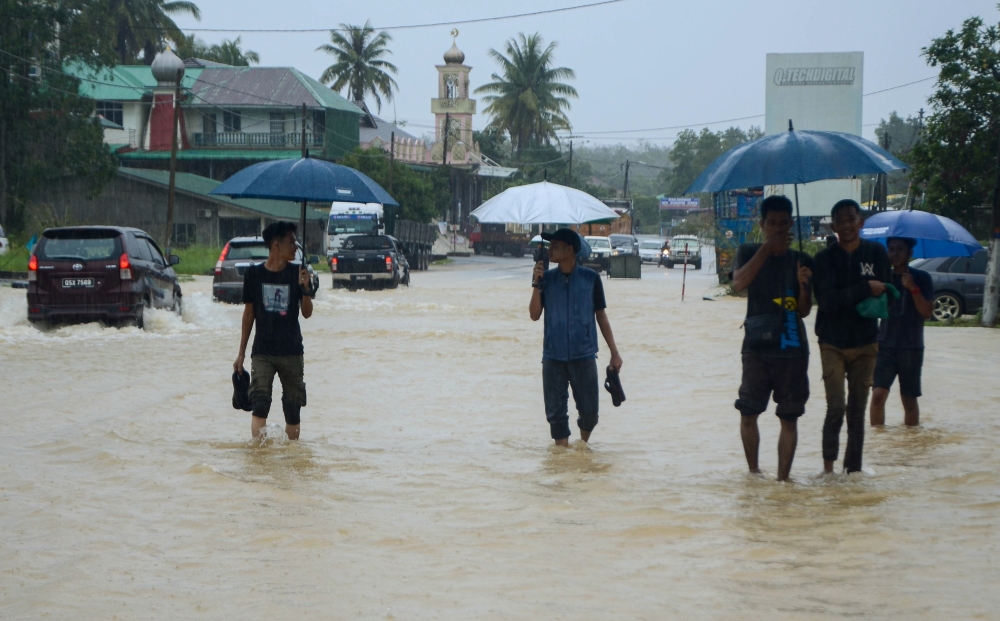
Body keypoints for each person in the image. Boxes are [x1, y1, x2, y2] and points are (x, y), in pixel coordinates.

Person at [731, 195, 814, 481]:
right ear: (762, 225)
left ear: (792, 224)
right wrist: (766, 250)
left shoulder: (801, 259)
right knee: (748, 413)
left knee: (789, 418)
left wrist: (804, 285)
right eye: (771, 223)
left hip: (792, 347)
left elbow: (804, 311)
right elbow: (739, 283)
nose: (778, 228)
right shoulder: (749, 251)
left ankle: (783, 481)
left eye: (783, 223)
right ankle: (753, 474)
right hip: (755, 347)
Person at [813, 199, 890, 473]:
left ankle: (853, 472)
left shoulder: (877, 253)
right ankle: (828, 470)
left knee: (857, 412)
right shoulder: (824, 259)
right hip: (831, 343)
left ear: (861, 222)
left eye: (851, 219)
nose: (846, 225)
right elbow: (826, 301)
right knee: (835, 407)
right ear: (833, 226)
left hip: (866, 342)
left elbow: (887, 294)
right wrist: (864, 288)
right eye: (841, 221)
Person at [528, 228, 623, 446]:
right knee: (556, 417)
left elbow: (601, 316)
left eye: (556, 247)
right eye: (549, 246)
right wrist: (536, 283)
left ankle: (582, 450)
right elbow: (534, 315)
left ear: (570, 250)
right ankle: (562, 464)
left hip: (584, 356)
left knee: (590, 414)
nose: (550, 251)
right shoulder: (546, 279)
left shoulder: (591, 279)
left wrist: (614, 353)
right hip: (553, 358)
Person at [234, 222, 314, 440]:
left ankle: (292, 456)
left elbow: (307, 313)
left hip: (292, 351)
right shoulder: (254, 275)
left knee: (293, 407)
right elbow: (248, 315)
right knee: (259, 403)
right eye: (291, 242)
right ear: (276, 246)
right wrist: (241, 353)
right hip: (263, 352)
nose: (296, 247)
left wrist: (306, 289)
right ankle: (259, 458)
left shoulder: (298, 273)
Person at [869, 237, 933, 426]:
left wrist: (913, 288)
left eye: (900, 249)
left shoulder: (922, 278)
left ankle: (910, 445)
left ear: (910, 253)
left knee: (909, 399)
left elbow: (927, 313)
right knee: (878, 395)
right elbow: (870, 309)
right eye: (891, 249)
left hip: (911, 347)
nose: (895, 254)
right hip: (884, 345)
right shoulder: (883, 278)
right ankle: (879, 443)